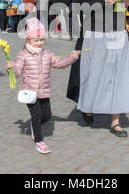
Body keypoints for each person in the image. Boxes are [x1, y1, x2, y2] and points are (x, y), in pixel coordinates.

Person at [66, 0, 129, 138]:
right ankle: (88, 107)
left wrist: (127, 1)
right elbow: (78, 7)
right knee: (94, 76)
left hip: (117, 32)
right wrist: (102, 0)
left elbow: (123, 0)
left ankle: (116, 122)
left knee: (117, 75)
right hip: (95, 33)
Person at [6, 18, 80, 154]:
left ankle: (35, 125)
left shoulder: (47, 54)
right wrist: (11, 68)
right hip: (30, 92)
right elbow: (16, 73)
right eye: (36, 40)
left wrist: (72, 57)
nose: (39, 43)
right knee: (37, 114)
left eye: (42, 40)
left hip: (44, 91)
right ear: (28, 40)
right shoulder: (23, 55)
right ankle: (39, 141)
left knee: (46, 115)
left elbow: (59, 63)